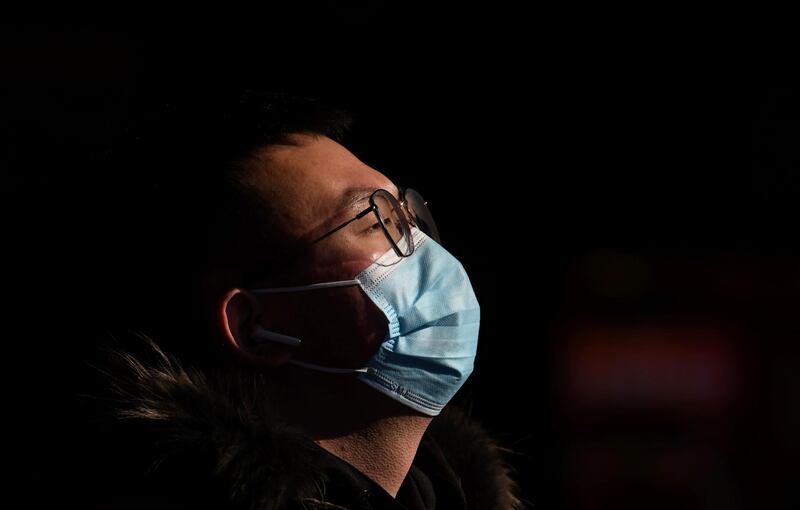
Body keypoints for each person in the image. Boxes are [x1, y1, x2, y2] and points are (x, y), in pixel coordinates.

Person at [83, 90, 522, 509]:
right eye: (376, 222)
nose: (422, 246)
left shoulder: (448, 493)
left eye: (406, 216)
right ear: (255, 328)